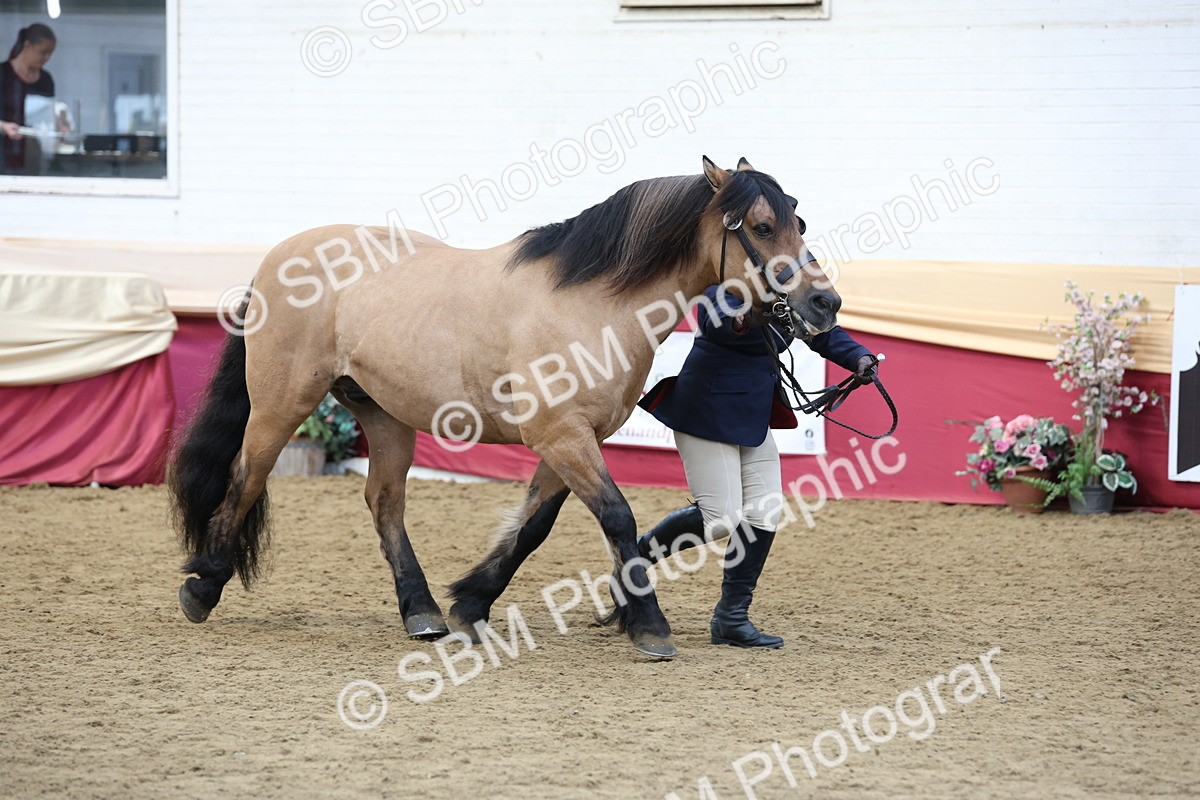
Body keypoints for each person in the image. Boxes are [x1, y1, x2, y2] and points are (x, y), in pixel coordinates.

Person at [636, 284, 876, 648]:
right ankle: (634, 558)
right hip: (706, 409)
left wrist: (858, 357)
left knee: (765, 512)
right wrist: (756, 314)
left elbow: (822, 330)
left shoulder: (790, 291)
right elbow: (720, 323)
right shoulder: (724, 283)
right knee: (719, 520)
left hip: (752, 416)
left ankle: (731, 618)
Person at [1, 23, 56, 175]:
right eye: (43, 52)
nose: (47, 58)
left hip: (32, 156)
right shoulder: (3, 74)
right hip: (3, 155)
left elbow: (48, 114)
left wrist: (59, 124)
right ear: (27, 46)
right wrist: (3, 127)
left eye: (50, 53)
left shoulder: (46, 80)